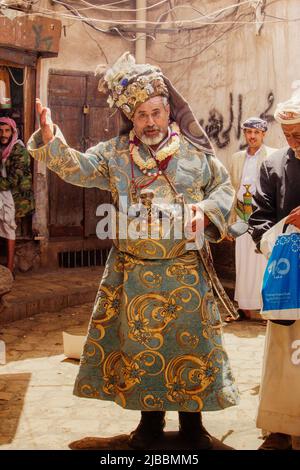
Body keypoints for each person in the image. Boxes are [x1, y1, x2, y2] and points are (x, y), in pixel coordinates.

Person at [28, 52, 239, 449]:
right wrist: (51, 138)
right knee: (141, 348)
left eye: (156, 112)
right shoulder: (114, 154)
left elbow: (228, 193)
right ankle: (149, 424)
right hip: (132, 275)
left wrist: (207, 212)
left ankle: (193, 427)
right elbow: (76, 167)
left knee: (190, 345)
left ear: (169, 112)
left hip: (186, 274)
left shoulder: (197, 154)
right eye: (141, 115)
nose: (150, 122)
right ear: (131, 118)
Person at [249, 83, 300, 450]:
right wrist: (284, 230)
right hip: (288, 277)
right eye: (288, 134)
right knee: (285, 353)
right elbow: (259, 222)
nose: (293, 140)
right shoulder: (273, 165)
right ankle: (280, 427)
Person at [226, 117, 277, 322]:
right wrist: (229, 221)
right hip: (241, 216)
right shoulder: (237, 158)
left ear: (263, 134)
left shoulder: (273, 156)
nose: (252, 136)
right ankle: (245, 308)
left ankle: (266, 309)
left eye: (256, 132)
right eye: (249, 132)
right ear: (245, 134)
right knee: (243, 262)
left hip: (263, 217)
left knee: (262, 262)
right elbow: (231, 189)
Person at [0, 117, 34, 273]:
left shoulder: (19, 150)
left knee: (9, 228)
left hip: (14, 197)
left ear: (13, 132)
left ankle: (9, 268)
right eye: (0, 131)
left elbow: (15, 179)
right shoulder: (1, 149)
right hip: (3, 193)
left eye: (7, 130)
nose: (3, 134)